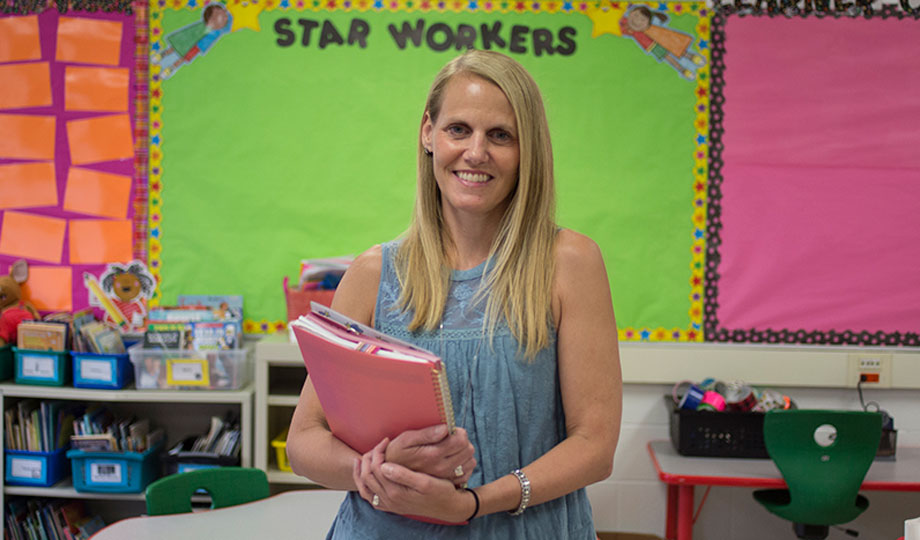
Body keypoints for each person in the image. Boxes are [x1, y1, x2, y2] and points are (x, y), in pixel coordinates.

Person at [286, 49, 622, 539]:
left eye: (500, 135)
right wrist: (377, 470)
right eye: (458, 129)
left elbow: (595, 445)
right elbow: (303, 442)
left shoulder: (569, 263)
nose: (476, 152)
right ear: (429, 133)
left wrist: (472, 504)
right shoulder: (373, 273)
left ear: (528, 149)